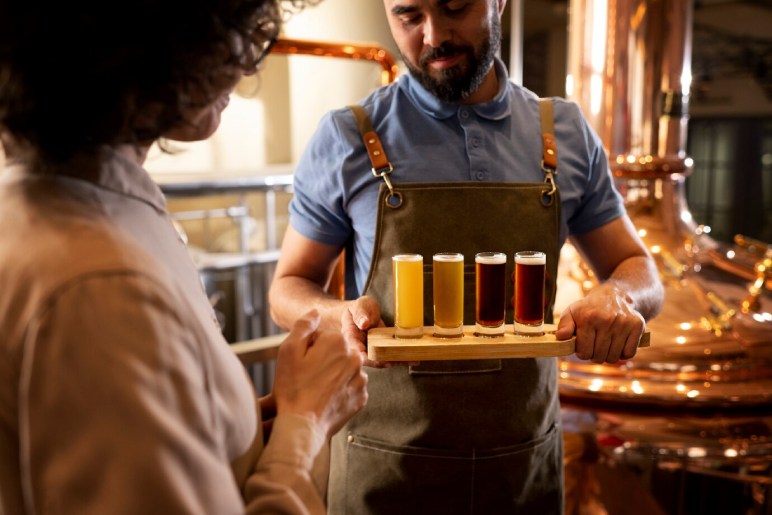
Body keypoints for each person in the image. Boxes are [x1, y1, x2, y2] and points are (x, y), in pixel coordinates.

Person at [268, 0, 664, 513]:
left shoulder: (562, 132)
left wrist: (619, 294)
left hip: (521, 471)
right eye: (409, 17)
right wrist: (334, 314)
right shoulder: (347, 136)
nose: (434, 36)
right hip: (385, 471)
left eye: (455, 7)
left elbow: (641, 271)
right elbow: (287, 288)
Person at [0, 0, 369, 513]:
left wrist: (264, 422)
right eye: (230, 27)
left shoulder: (82, 211)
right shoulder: (102, 289)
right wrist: (306, 427)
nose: (245, 63)